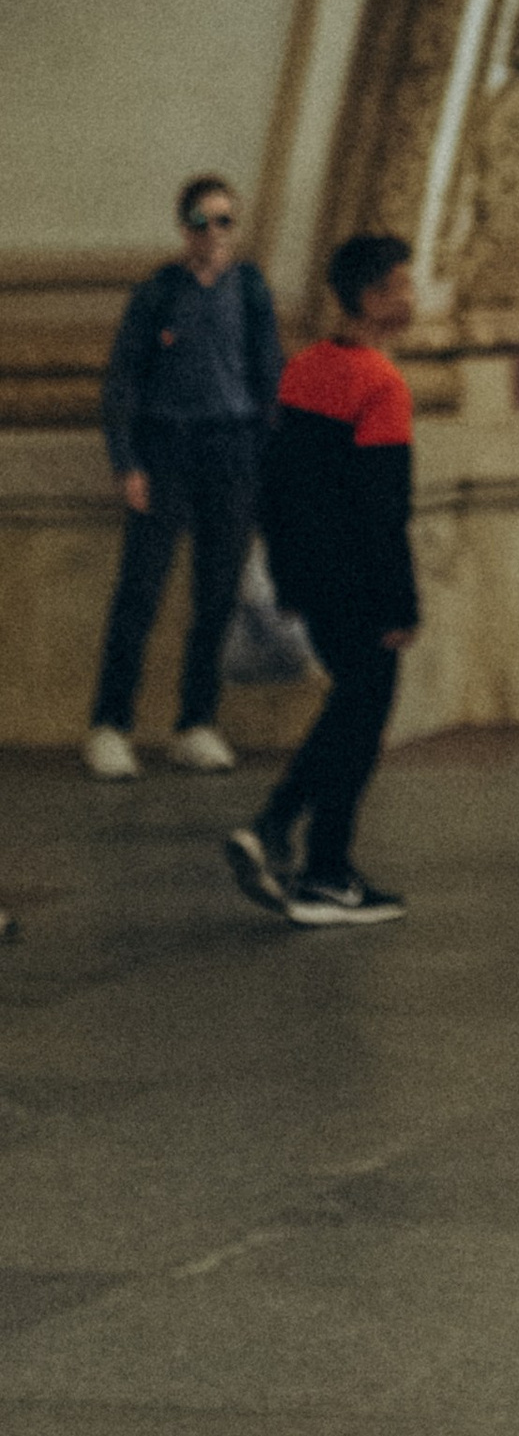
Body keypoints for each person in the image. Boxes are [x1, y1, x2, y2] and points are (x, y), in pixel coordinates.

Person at [221, 233, 419, 929]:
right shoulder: (381, 383)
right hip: (362, 580)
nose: (411, 296)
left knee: (352, 703)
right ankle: (316, 860)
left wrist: (287, 574)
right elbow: (382, 507)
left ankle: (294, 840)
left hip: (308, 570)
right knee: (363, 710)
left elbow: (276, 486)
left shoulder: (301, 370)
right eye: (401, 284)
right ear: (371, 297)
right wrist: (400, 602)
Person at [87, 173, 284, 781]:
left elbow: (270, 377)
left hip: (231, 451)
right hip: (166, 449)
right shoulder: (157, 294)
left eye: (226, 221)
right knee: (139, 592)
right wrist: (127, 461)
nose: (214, 233)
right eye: (203, 221)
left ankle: (196, 723)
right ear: (184, 227)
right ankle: (110, 724)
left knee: (216, 596)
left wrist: (269, 465)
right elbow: (122, 381)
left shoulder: (249, 290)